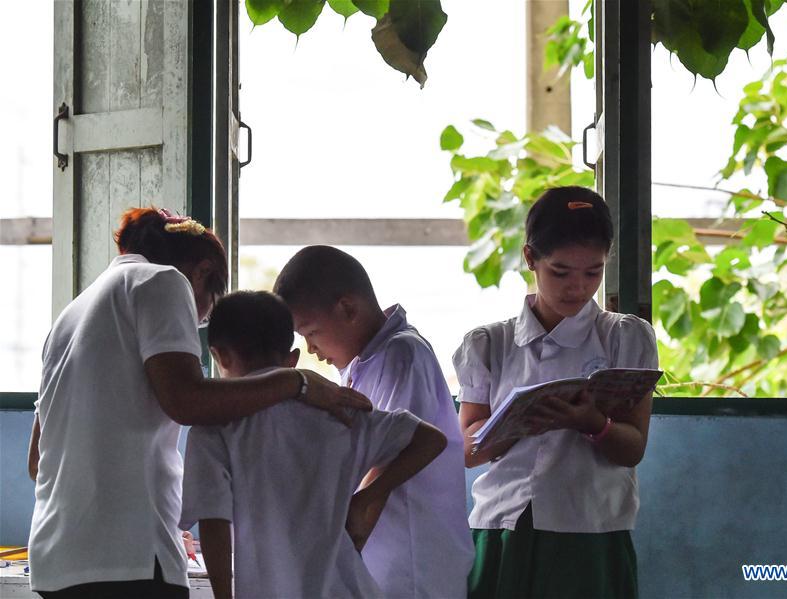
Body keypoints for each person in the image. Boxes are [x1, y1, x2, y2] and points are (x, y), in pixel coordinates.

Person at [28, 208, 370, 599]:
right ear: (203, 272)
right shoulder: (163, 281)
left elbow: (38, 460)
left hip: (57, 561)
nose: (198, 324)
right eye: (204, 313)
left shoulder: (68, 319)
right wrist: (297, 383)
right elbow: (187, 401)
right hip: (127, 563)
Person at [454, 187, 659, 599]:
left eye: (593, 272)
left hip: (591, 527)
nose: (578, 287)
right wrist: (519, 423)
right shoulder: (489, 344)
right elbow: (467, 450)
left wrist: (592, 424)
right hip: (503, 524)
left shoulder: (624, 337)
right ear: (530, 258)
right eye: (560, 272)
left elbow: (633, 448)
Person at [180, 291, 447, 599]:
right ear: (293, 358)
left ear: (219, 356)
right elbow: (431, 439)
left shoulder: (215, 427)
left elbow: (214, 525)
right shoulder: (338, 411)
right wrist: (367, 496)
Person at [274, 246, 475, 599]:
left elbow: (394, 451)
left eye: (310, 332)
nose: (309, 348)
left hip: (411, 565)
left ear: (348, 309)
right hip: (387, 562)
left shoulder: (401, 355)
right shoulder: (365, 364)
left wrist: (347, 516)